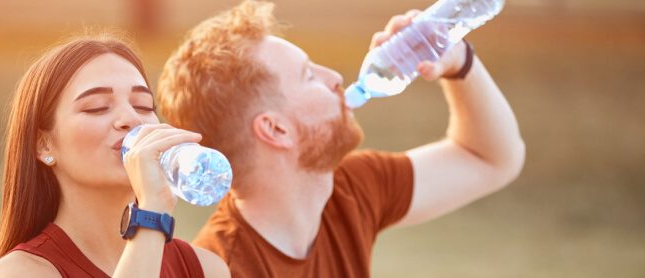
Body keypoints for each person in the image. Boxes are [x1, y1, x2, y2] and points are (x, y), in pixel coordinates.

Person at [156, 1, 525, 277]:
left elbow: (492, 159)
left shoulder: (348, 188)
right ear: (275, 129)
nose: (333, 76)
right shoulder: (223, 267)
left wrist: (458, 62)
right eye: (307, 75)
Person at [0, 34, 230, 277]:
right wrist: (151, 211)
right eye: (97, 107)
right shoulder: (19, 272)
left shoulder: (206, 269)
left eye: (143, 105)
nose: (132, 119)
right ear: (44, 145)